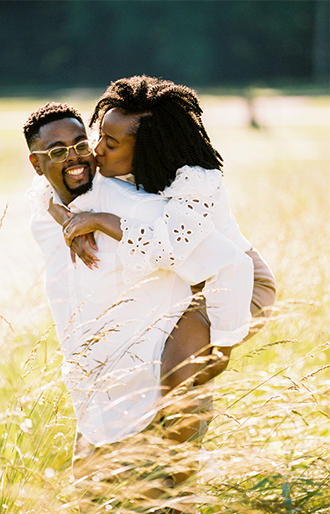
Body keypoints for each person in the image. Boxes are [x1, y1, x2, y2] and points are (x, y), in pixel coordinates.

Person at [24, 103, 253, 514]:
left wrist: (221, 350)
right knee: (91, 500)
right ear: (36, 164)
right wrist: (64, 217)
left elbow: (231, 265)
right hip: (100, 395)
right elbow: (44, 199)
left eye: (81, 144)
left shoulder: (136, 207)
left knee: (164, 495)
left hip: (157, 384)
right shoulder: (45, 213)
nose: (77, 156)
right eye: (57, 152)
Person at [56, 75, 275, 397]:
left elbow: (169, 247)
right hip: (190, 281)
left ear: (148, 149)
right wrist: (70, 223)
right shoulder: (130, 170)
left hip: (236, 282)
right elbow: (52, 191)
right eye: (99, 136)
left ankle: (178, 444)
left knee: (174, 380)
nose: (97, 150)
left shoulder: (196, 183)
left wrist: (101, 220)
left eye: (111, 144)